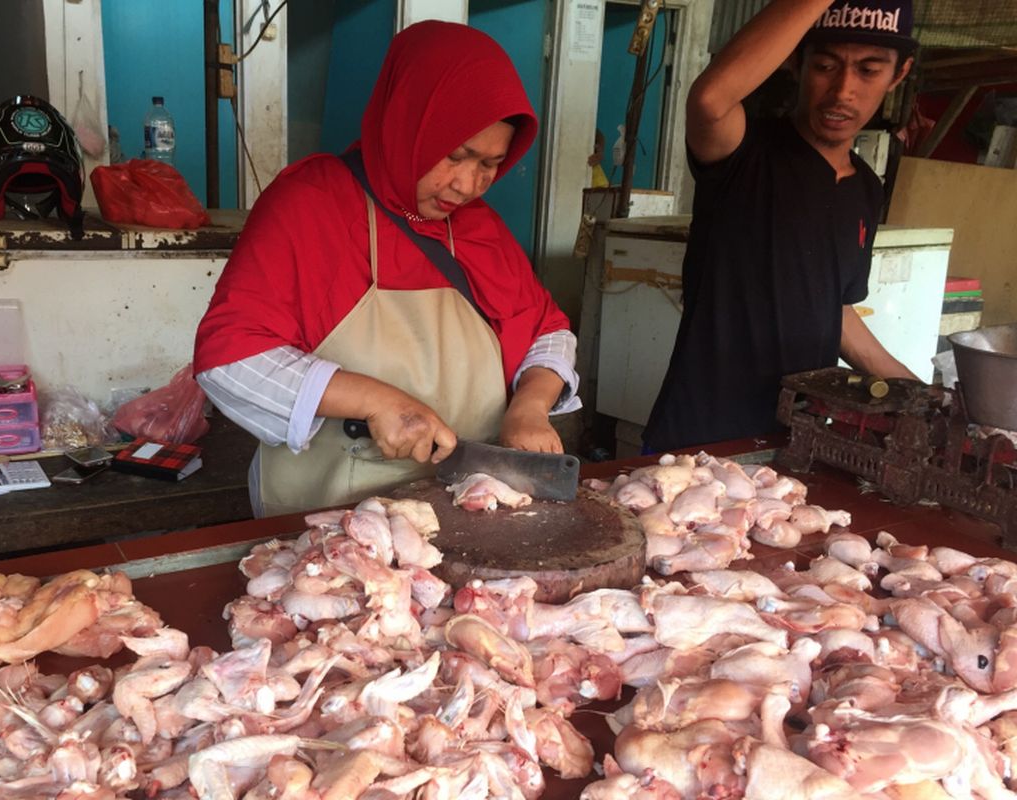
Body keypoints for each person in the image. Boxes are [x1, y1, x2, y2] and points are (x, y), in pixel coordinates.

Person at [194, 21, 579, 517]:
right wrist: (376, 401)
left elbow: (548, 330)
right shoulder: (314, 206)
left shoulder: (478, 226)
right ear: (409, 122)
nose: (468, 185)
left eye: (491, 163)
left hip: (468, 512)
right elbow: (229, 358)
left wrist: (530, 404)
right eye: (456, 155)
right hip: (333, 525)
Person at [642, 0, 919, 454]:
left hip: (797, 439)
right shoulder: (744, 151)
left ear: (899, 74)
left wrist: (914, 390)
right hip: (699, 435)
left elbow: (836, 309)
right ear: (795, 62)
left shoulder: (866, 188)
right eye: (826, 66)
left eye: (869, 71)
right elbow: (710, 100)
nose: (843, 91)